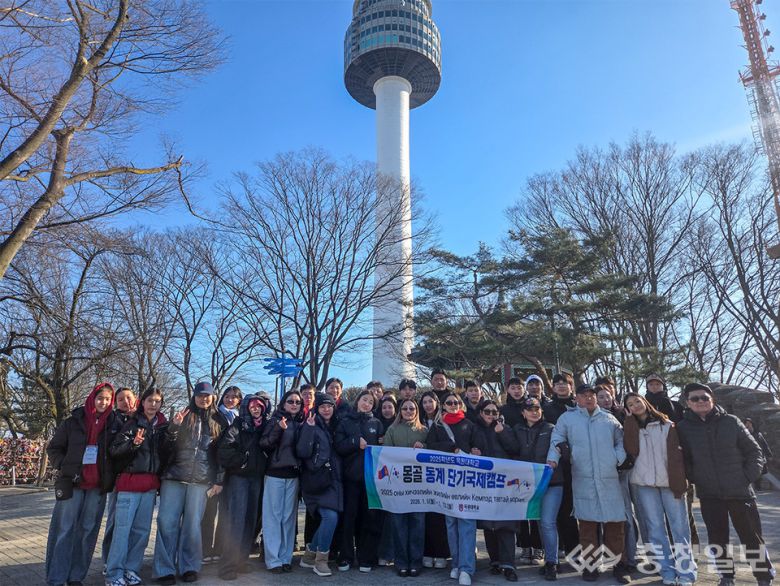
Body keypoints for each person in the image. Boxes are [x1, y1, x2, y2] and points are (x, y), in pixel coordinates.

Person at [677, 383, 774, 586]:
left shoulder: (731, 421)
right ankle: (726, 576)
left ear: (712, 399)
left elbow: (755, 452)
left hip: (740, 490)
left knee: (752, 538)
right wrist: (695, 477)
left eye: (704, 397)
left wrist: (747, 477)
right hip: (709, 493)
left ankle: (763, 577)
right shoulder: (684, 428)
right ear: (688, 403)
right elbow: (683, 459)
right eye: (695, 399)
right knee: (717, 538)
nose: (700, 401)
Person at [547, 383, 630, 584]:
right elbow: (556, 438)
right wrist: (554, 459)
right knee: (587, 525)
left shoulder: (608, 418)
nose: (589, 398)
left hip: (609, 478)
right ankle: (591, 565)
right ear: (576, 398)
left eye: (592, 395)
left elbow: (620, 441)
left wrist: (617, 458)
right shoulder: (568, 418)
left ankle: (619, 565)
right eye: (584, 395)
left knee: (614, 525)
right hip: (582, 476)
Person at [153, 381, 227, 585]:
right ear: (194, 396)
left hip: (201, 480)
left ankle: (189, 567)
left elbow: (222, 454)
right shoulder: (183, 416)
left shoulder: (219, 420)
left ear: (213, 397)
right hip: (174, 477)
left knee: (192, 526)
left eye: (207, 395)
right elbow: (165, 448)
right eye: (200, 395)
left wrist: (219, 479)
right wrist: (173, 428)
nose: (204, 399)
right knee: (166, 523)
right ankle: (164, 568)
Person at [46, 382, 116, 586]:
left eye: (107, 399)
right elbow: (54, 449)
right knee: (64, 530)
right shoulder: (73, 422)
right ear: (93, 398)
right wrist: (64, 465)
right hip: (72, 485)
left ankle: (76, 576)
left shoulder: (113, 424)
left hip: (97, 488)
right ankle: (56, 577)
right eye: (100, 398)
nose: (103, 402)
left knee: (87, 532)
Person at [622, 393, 696, 586]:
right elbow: (631, 449)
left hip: (669, 482)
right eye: (630, 404)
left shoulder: (666, 424)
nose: (635, 405)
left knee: (679, 528)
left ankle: (686, 572)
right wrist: (629, 421)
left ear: (644, 402)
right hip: (645, 484)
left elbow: (676, 457)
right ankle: (667, 571)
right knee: (655, 529)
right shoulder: (631, 427)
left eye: (637, 401)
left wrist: (681, 482)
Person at [105, 388, 167, 586]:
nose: (153, 405)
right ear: (142, 402)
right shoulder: (133, 424)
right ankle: (114, 572)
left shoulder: (162, 426)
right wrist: (133, 444)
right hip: (130, 484)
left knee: (141, 530)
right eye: (150, 400)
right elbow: (114, 450)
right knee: (122, 531)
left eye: (157, 401)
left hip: (149, 485)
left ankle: (131, 568)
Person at [498, 397, 564, 581]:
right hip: (527, 483)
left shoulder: (551, 428)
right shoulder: (517, 429)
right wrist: (502, 431)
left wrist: (555, 459)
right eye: (529, 409)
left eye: (537, 408)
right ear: (523, 412)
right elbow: (512, 448)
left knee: (547, 522)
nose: (534, 412)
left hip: (551, 482)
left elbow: (558, 446)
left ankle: (552, 562)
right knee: (535, 521)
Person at [427, 391, 486, 586]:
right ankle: (457, 562)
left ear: (461, 404)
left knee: (467, 524)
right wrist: (451, 449)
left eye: (456, 402)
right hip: (445, 481)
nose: (453, 405)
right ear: (443, 406)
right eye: (449, 402)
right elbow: (431, 446)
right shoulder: (436, 426)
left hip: (467, 481)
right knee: (451, 524)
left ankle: (466, 569)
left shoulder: (470, 425)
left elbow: (479, 446)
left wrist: (476, 451)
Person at [216, 393, 270, 581]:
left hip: (256, 478)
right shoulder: (237, 425)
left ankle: (241, 559)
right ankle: (227, 564)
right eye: (253, 406)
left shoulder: (263, 426)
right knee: (236, 521)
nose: (256, 409)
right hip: (239, 477)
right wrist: (243, 460)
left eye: (260, 406)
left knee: (250, 520)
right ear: (246, 407)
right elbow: (224, 449)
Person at [334, 389, 382, 572]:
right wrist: (355, 442)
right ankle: (345, 556)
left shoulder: (376, 424)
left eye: (370, 402)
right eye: (364, 400)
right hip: (351, 478)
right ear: (357, 402)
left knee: (368, 518)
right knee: (349, 518)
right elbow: (338, 445)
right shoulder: (345, 422)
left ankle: (365, 557)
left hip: (370, 480)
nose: (367, 404)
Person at [297, 393, 344, 577]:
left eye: (330, 406)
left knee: (331, 518)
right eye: (323, 406)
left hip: (333, 481)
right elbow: (302, 450)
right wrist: (308, 429)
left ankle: (309, 555)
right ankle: (320, 560)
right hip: (316, 480)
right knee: (330, 517)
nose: (326, 409)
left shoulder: (335, 426)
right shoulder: (311, 425)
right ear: (317, 408)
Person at [259, 389, 304, 574]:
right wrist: (279, 429)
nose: (294, 404)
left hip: (293, 475)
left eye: (297, 402)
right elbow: (264, 444)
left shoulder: (302, 423)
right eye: (290, 401)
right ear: (283, 403)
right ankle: (273, 559)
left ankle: (286, 558)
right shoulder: (275, 420)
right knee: (272, 518)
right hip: (275, 474)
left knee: (288, 519)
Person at [473, 399, 518, 582]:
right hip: (484, 481)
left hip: (504, 481)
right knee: (488, 524)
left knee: (505, 523)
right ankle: (495, 560)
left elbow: (515, 449)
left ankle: (508, 563)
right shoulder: (475, 429)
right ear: (481, 413)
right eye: (487, 411)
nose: (491, 415)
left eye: (494, 412)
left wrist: (503, 434)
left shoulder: (505, 428)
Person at [383, 398, 428, 577]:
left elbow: (433, 453)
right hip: (398, 485)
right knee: (398, 524)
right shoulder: (392, 430)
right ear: (400, 411)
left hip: (419, 486)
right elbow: (385, 453)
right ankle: (401, 562)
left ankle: (416, 562)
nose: (409, 411)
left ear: (417, 411)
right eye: (405, 408)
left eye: (412, 408)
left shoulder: (424, 430)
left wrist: (424, 446)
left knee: (418, 524)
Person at [202, 385, 242, 564]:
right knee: (209, 513)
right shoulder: (215, 416)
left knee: (225, 514)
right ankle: (204, 550)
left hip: (232, 474)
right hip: (214, 470)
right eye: (227, 396)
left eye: (234, 397)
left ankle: (219, 549)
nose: (230, 399)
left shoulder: (241, 419)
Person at [541, 373, 579, 558]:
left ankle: (579, 547)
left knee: (578, 506)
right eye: (558, 383)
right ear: (553, 387)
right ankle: (564, 546)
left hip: (580, 460)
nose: (562, 386)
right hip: (557, 461)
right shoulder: (546, 408)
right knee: (562, 507)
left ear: (571, 386)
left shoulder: (579, 406)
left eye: (566, 383)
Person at [102, 386, 138, 571]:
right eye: (121, 399)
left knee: (132, 524)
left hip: (136, 477)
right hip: (117, 477)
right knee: (114, 521)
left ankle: (126, 559)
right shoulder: (113, 419)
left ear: (136, 399)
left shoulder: (141, 419)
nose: (126, 402)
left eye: (129, 398)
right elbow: (112, 446)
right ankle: (108, 559)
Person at [417, 390, 449, 569]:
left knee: (440, 513)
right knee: (426, 514)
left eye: (431, 401)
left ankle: (442, 552)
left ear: (437, 402)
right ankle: (427, 551)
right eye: (424, 402)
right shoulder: (418, 421)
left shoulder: (445, 421)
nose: (428, 405)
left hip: (442, 473)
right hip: (422, 474)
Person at [376, 394, 397, 566]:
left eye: (390, 406)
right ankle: (381, 552)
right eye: (384, 407)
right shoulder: (375, 424)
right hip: (379, 475)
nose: (387, 410)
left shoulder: (400, 425)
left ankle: (392, 552)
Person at [744, 418, 773, 492]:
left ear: (752, 423)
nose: (748, 424)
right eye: (746, 423)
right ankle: (754, 487)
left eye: (749, 423)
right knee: (753, 471)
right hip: (749, 456)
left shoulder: (758, 434)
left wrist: (769, 454)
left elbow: (764, 444)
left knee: (760, 472)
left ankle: (758, 487)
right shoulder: (743, 434)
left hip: (760, 455)